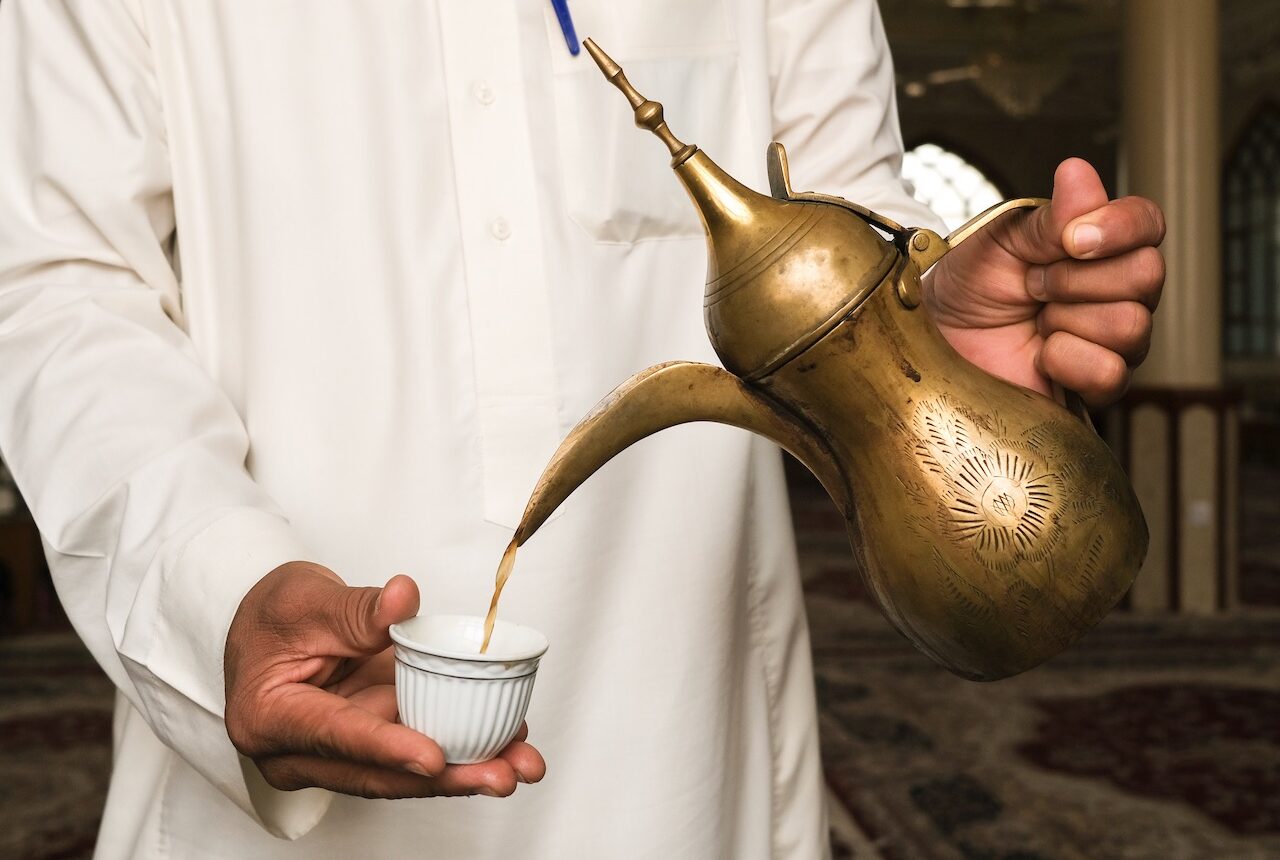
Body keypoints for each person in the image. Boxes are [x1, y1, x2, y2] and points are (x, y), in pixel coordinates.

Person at [0, 1, 1164, 858]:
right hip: (258, 807)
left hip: (686, 771)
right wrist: (219, 587)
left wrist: (919, 326)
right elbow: (56, 285)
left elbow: (843, 191)